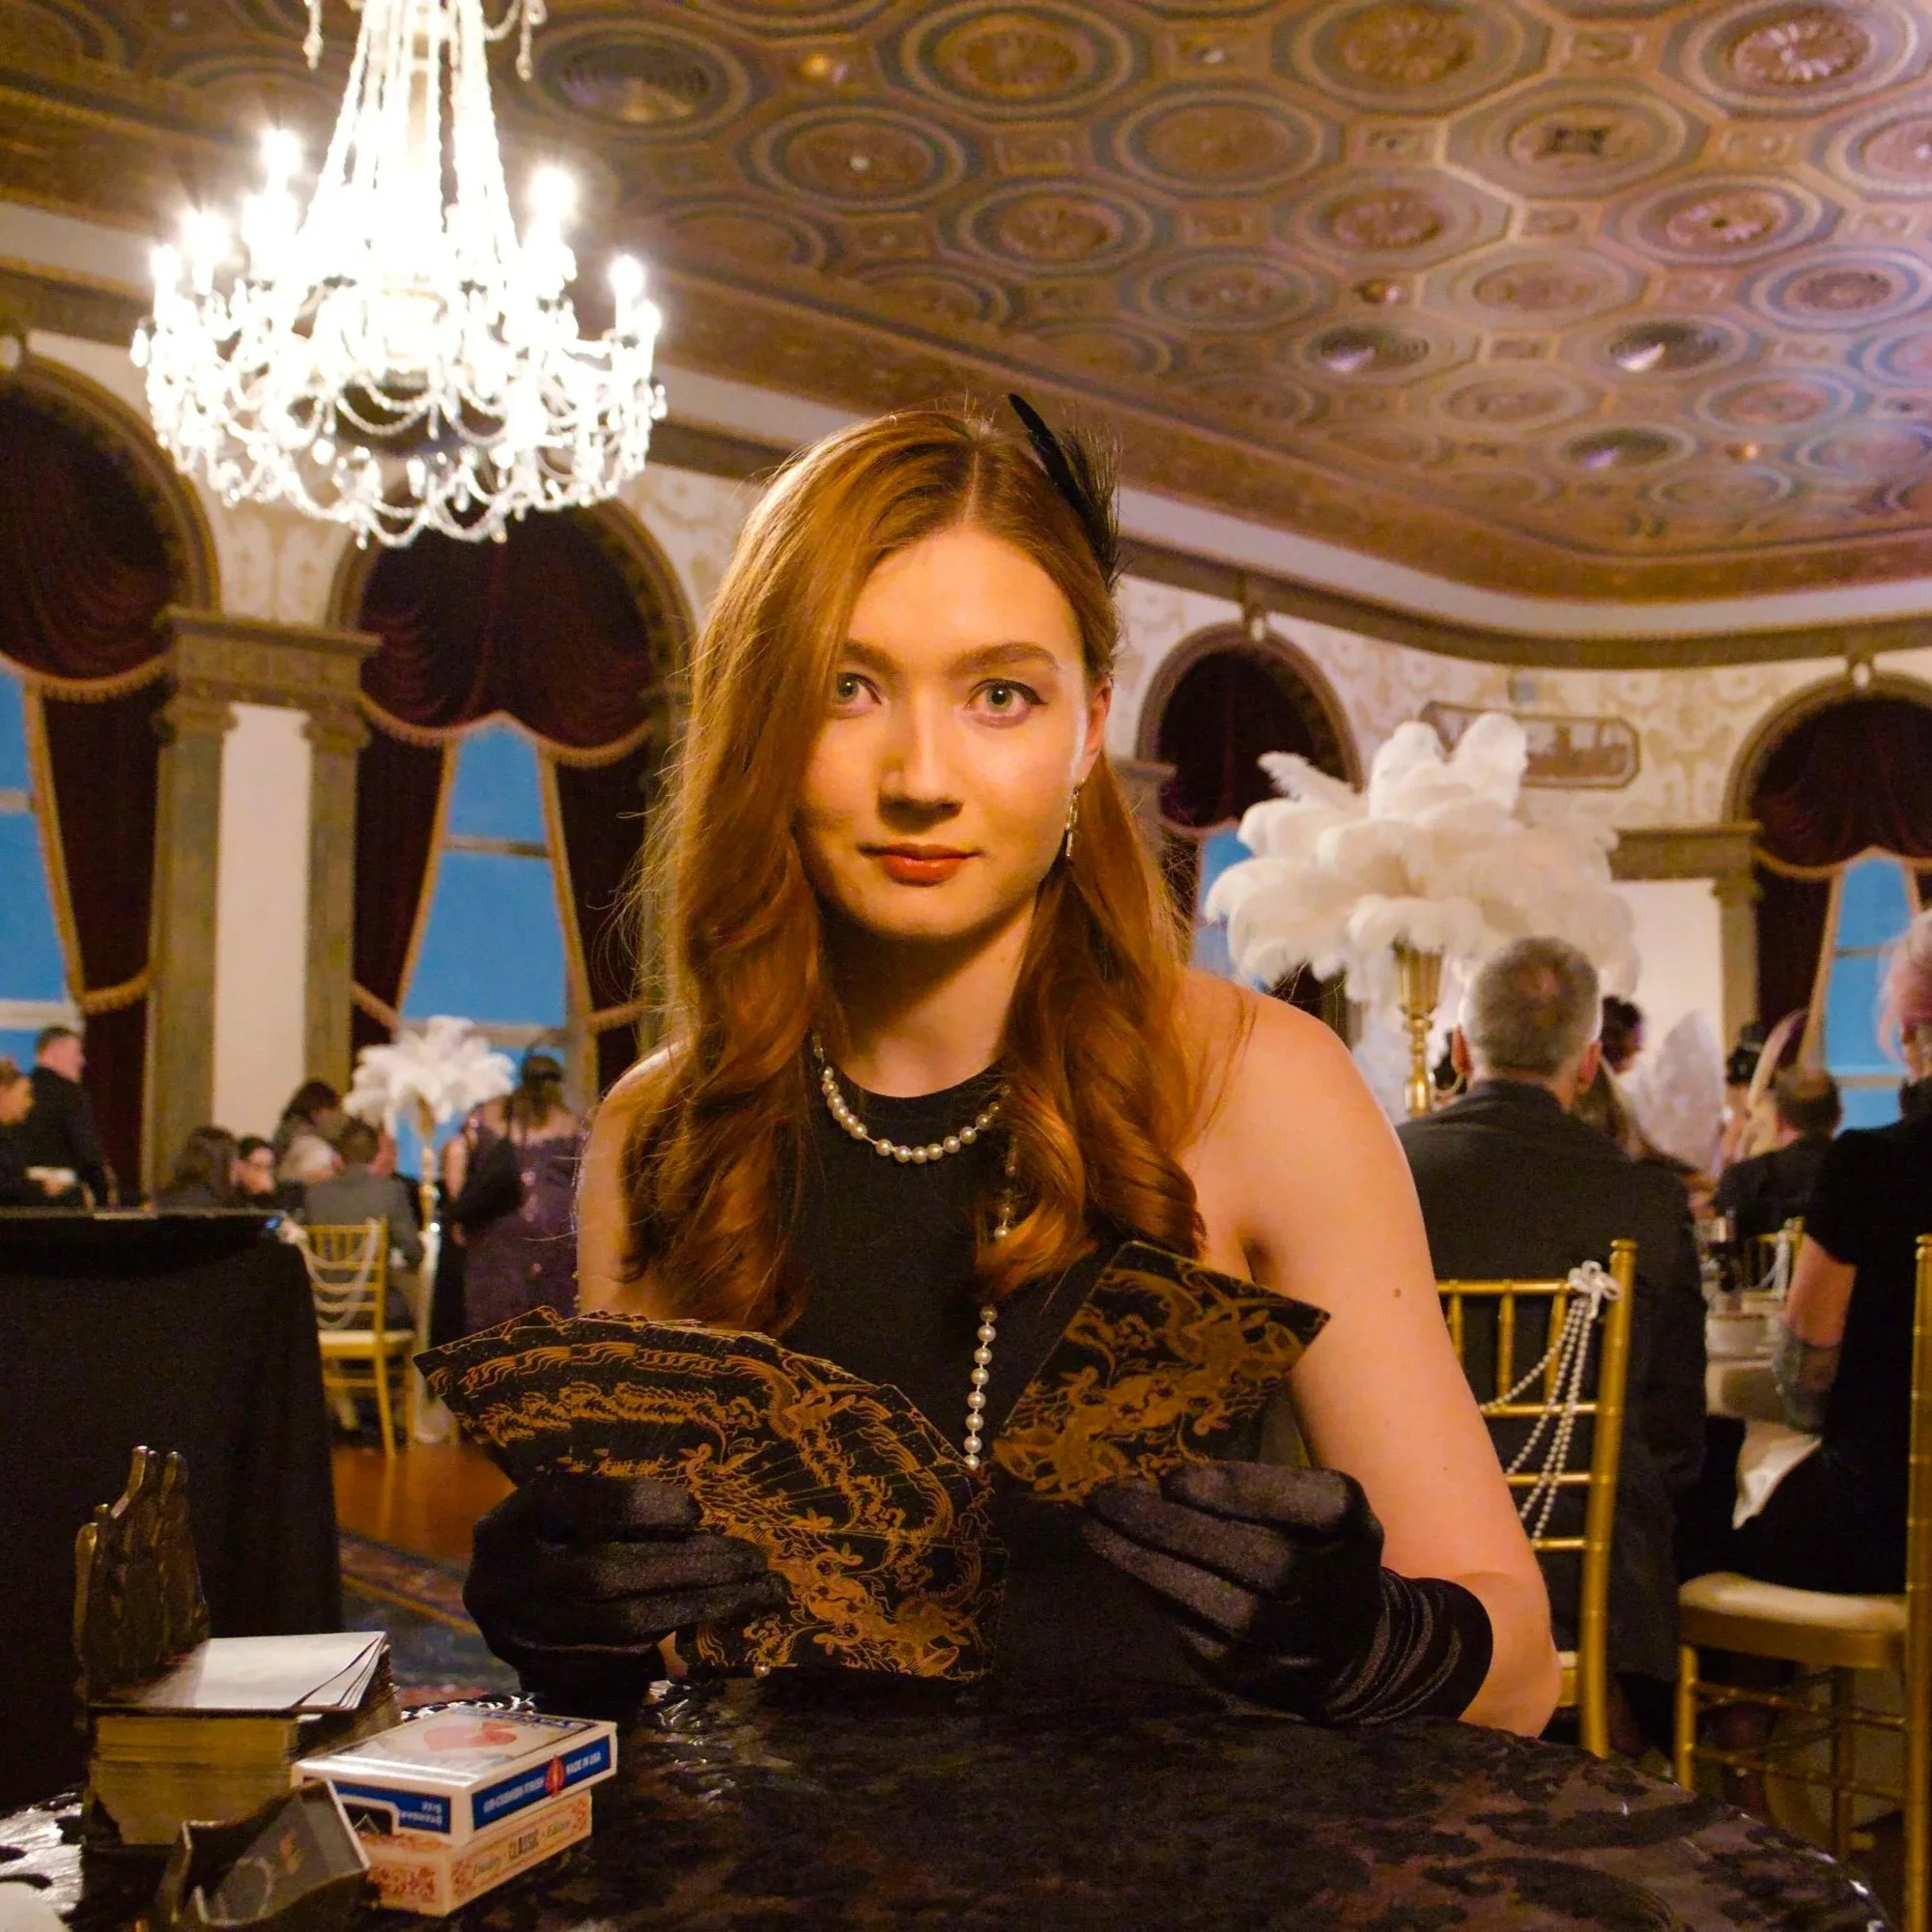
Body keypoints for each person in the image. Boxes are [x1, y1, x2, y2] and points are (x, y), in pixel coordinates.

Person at [461, 404, 1559, 1735]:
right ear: (756, 718)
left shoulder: (1255, 1085)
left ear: (1087, 729)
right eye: (846, 687)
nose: (922, 777)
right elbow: (651, 1681)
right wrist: (571, 1641)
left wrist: (1371, 1642)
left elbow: (1521, 1670)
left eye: (999, 696)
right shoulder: (660, 1131)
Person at [1397, 937, 1707, 1752]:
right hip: (1581, 1582)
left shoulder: (1384, 1169)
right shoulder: (1644, 1198)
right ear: (1589, 1063)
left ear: (1461, 1051)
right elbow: (1675, 1430)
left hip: (1399, 1568)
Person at [453, 1053, 581, 1333]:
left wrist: (460, 1208)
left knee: (495, 1328)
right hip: (555, 1234)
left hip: (496, 1228)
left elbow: (456, 1151)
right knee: (552, 1327)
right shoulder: (570, 1122)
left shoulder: (490, 1114)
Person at [1711, 1065, 1840, 1250]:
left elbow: (1723, 1252)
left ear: (1778, 1119)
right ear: (1838, 1116)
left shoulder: (1742, 1179)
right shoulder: (1865, 1174)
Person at [303, 1118, 424, 1271]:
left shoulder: (314, 1194)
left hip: (321, 1283)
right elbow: (413, 1251)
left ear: (340, 1156)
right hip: (373, 1284)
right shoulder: (390, 1191)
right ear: (375, 1154)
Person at [15, 1025, 109, 1206]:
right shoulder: (70, 1095)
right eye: (76, 1053)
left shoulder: (14, 1096)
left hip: (20, 1200)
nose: (81, 1061)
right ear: (55, 1051)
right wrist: (103, 1195)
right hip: (65, 1200)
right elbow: (87, 1154)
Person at [0, 1057, 67, 1205]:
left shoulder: (12, 1135)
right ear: (3, 1092)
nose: (29, 1103)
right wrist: (41, 1188)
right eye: (25, 1094)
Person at [155, 1126, 242, 1208]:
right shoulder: (215, 1207)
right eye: (234, 1161)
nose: (238, 1167)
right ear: (224, 1164)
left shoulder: (163, 1197)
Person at [272, 1079, 344, 1172]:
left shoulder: (287, 1129)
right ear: (316, 1112)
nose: (337, 1117)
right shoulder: (303, 1140)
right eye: (333, 1110)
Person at [232, 1134, 280, 1203]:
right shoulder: (229, 1193)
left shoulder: (278, 1194)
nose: (264, 1174)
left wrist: (266, 1194)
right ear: (240, 1166)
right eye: (258, 1167)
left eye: (269, 1167)